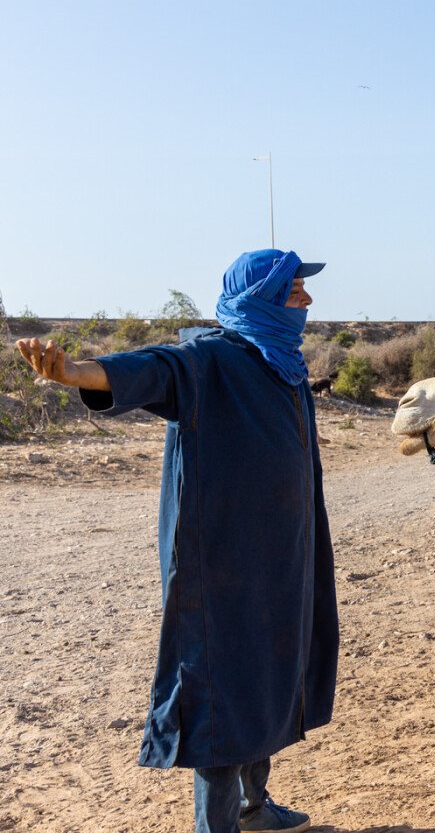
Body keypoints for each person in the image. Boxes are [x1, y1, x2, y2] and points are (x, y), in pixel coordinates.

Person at [14, 249, 338, 833]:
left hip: (282, 556)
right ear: (261, 298)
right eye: (294, 292)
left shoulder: (282, 363)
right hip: (221, 562)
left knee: (267, 672)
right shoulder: (207, 359)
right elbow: (147, 369)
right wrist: (74, 373)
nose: (307, 302)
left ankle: (254, 807)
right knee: (221, 685)